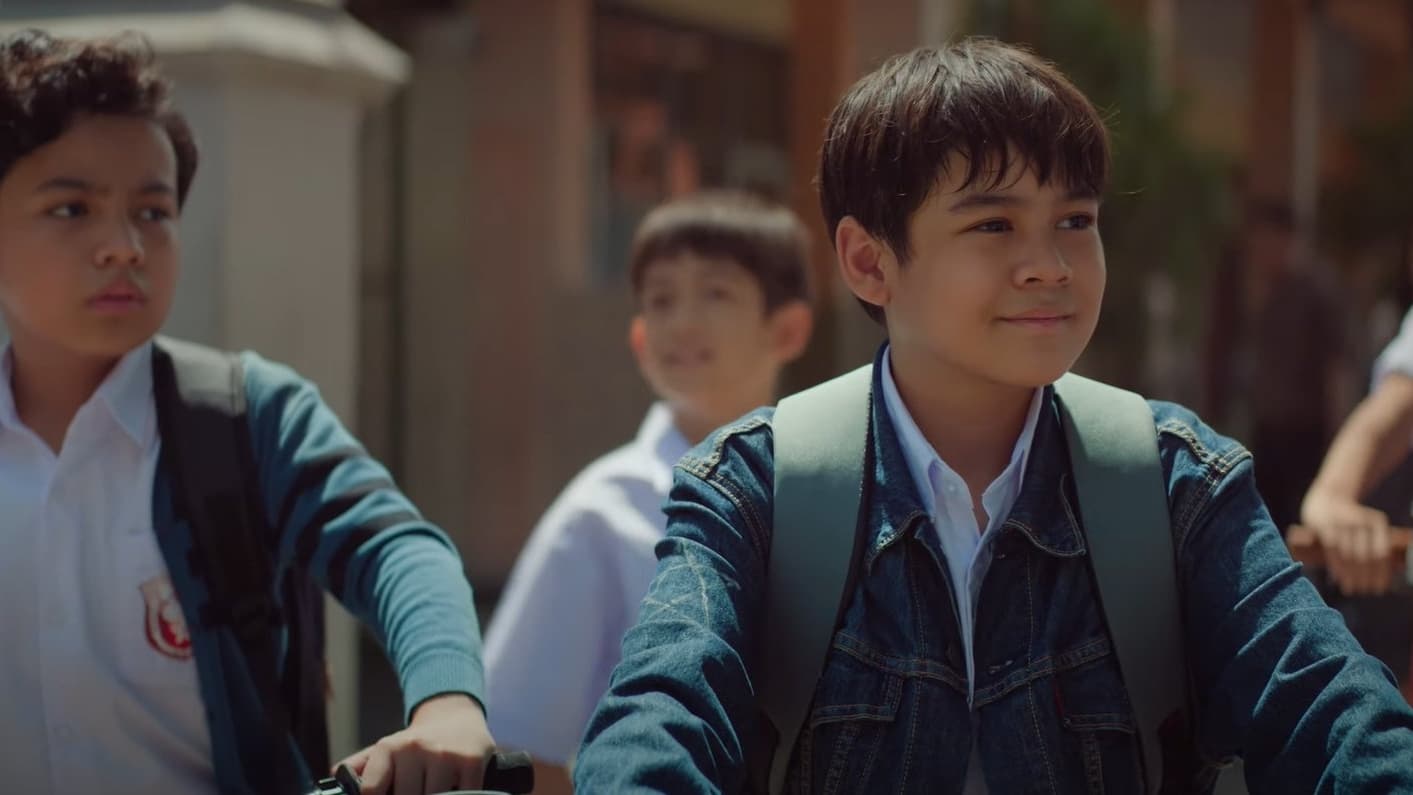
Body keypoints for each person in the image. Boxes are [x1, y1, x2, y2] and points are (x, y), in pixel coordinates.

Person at [573, 38, 1413, 792]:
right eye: (993, 224)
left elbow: (1329, 707)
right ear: (868, 261)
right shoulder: (751, 487)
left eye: (1074, 220)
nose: (1048, 265)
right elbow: (660, 713)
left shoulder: (1176, 481)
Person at [0, 30, 491, 795]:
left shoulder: (244, 417)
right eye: (72, 208)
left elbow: (396, 548)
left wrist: (446, 702)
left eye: (152, 211)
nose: (125, 246)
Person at [482, 190, 814, 793]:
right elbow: (518, 744)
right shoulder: (601, 510)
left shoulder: (833, 486)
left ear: (788, 330)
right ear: (639, 341)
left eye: (716, 293)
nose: (682, 322)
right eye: (661, 299)